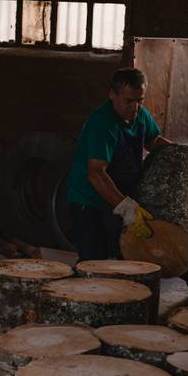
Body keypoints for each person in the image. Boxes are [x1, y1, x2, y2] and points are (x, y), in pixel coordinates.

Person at [66, 67, 171, 261]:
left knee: (122, 257)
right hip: (89, 200)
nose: (135, 107)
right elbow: (96, 174)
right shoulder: (102, 123)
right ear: (112, 95)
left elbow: (153, 141)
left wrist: (182, 152)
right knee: (94, 262)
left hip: (120, 195)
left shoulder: (140, 116)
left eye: (140, 101)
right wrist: (128, 209)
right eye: (128, 101)